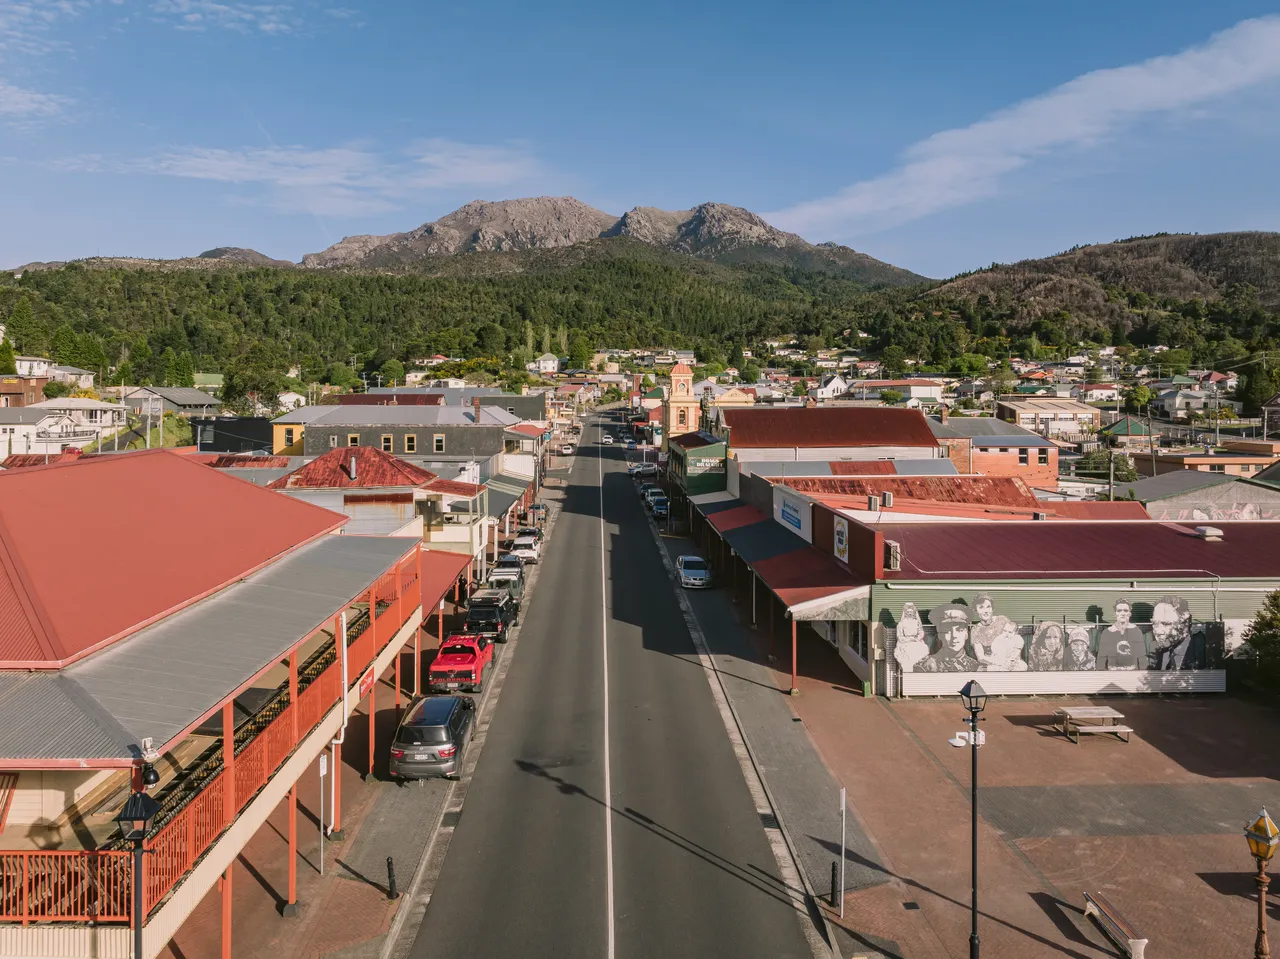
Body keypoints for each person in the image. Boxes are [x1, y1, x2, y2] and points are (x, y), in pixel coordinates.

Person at [918, 603, 980, 673]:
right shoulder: (925, 667)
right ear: (940, 635)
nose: (954, 636)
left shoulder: (976, 667)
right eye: (947, 631)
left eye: (959, 630)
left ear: (966, 634)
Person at [1149, 595, 1204, 669]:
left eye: (1166, 624)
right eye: (1155, 623)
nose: (1158, 631)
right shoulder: (1157, 651)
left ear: (1185, 624)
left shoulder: (1201, 648)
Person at [1096, 599, 1144, 670]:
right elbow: (1101, 658)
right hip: (1112, 674)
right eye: (1119, 611)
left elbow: (1141, 656)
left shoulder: (1136, 631)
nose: (1122, 613)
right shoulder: (1107, 633)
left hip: (1132, 673)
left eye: (1125, 610)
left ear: (1130, 613)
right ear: (1115, 613)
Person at [970, 592, 1014, 668]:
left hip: (1009, 660)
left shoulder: (1002, 620)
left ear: (992, 608)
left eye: (988, 607)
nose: (985, 611)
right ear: (975, 610)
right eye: (981, 607)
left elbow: (1014, 642)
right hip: (989, 664)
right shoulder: (975, 630)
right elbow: (981, 657)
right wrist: (1001, 663)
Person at [893, 602, 930, 673]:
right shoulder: (901, 624)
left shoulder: (917, 622)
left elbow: (921, 632)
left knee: (922, 650)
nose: (909, 613)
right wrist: (908, 639)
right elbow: (899, 635)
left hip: (916, 641)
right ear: (905, 612)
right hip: (906, 642)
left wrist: (917, 638)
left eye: (911, 612)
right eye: (908, 612)